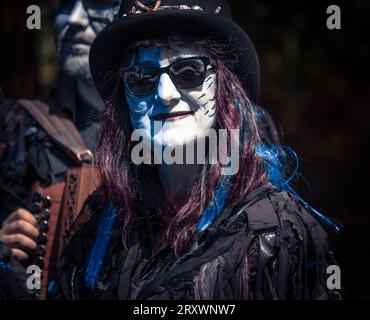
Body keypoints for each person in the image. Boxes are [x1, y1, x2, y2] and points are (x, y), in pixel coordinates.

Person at [49, 0, 341, 300]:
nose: (165, 94)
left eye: (188, 71)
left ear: (224, 86)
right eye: (142, 78)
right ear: (123, 100)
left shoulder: (275, 231)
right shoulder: (104, 224)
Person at [0, 0, 121, 298]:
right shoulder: (21, 126)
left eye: (99, 3)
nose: (73, 20)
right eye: (65, 4)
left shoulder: (174, 129)